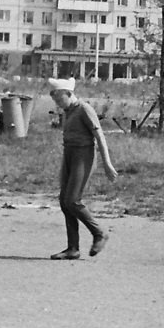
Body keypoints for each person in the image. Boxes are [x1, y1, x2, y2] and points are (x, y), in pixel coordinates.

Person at [48, 80, 118, 259]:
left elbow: (99, 136)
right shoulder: (68, 112)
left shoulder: (84, 109)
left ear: (69, 93)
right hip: (69, 154)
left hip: (84, 155)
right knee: (64, 201)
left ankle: (99, 233)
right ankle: (73, 248)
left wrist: (107, 163)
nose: (58, 103)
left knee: (72, 200)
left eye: (59, 98)